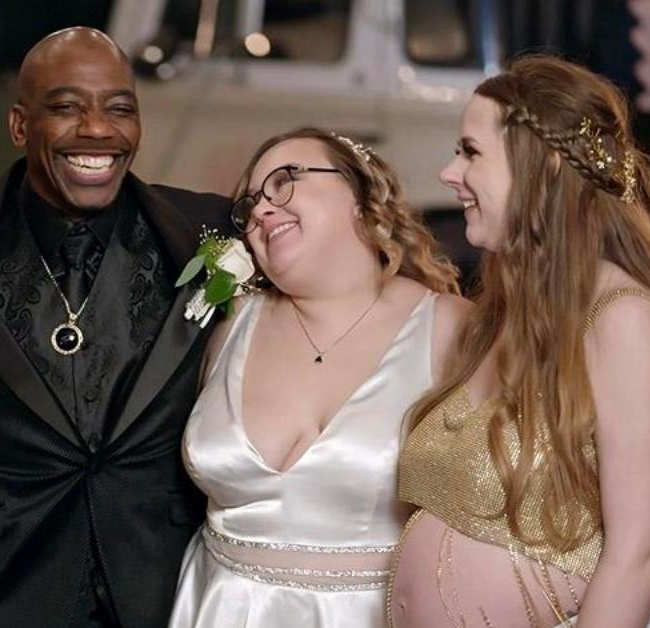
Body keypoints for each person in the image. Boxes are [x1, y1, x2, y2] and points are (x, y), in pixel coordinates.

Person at [0, 27, 230, 628]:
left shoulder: (208, 232)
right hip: (0, 585)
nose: (98, 129)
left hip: (161, 583)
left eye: (119, 108)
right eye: (67, 107)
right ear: (20, 127)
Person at [389, 55, 650, 627]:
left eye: (470, 152)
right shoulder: (502, 315)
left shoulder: (622, 318)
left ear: (544, 167)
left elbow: (641, 552)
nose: (449, 174)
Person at [166, 127, 469, 627]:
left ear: (360, 196)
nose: (261, 211)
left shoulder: (452, 329)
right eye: (249, 207)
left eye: (284, 182)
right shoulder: (225, 327)